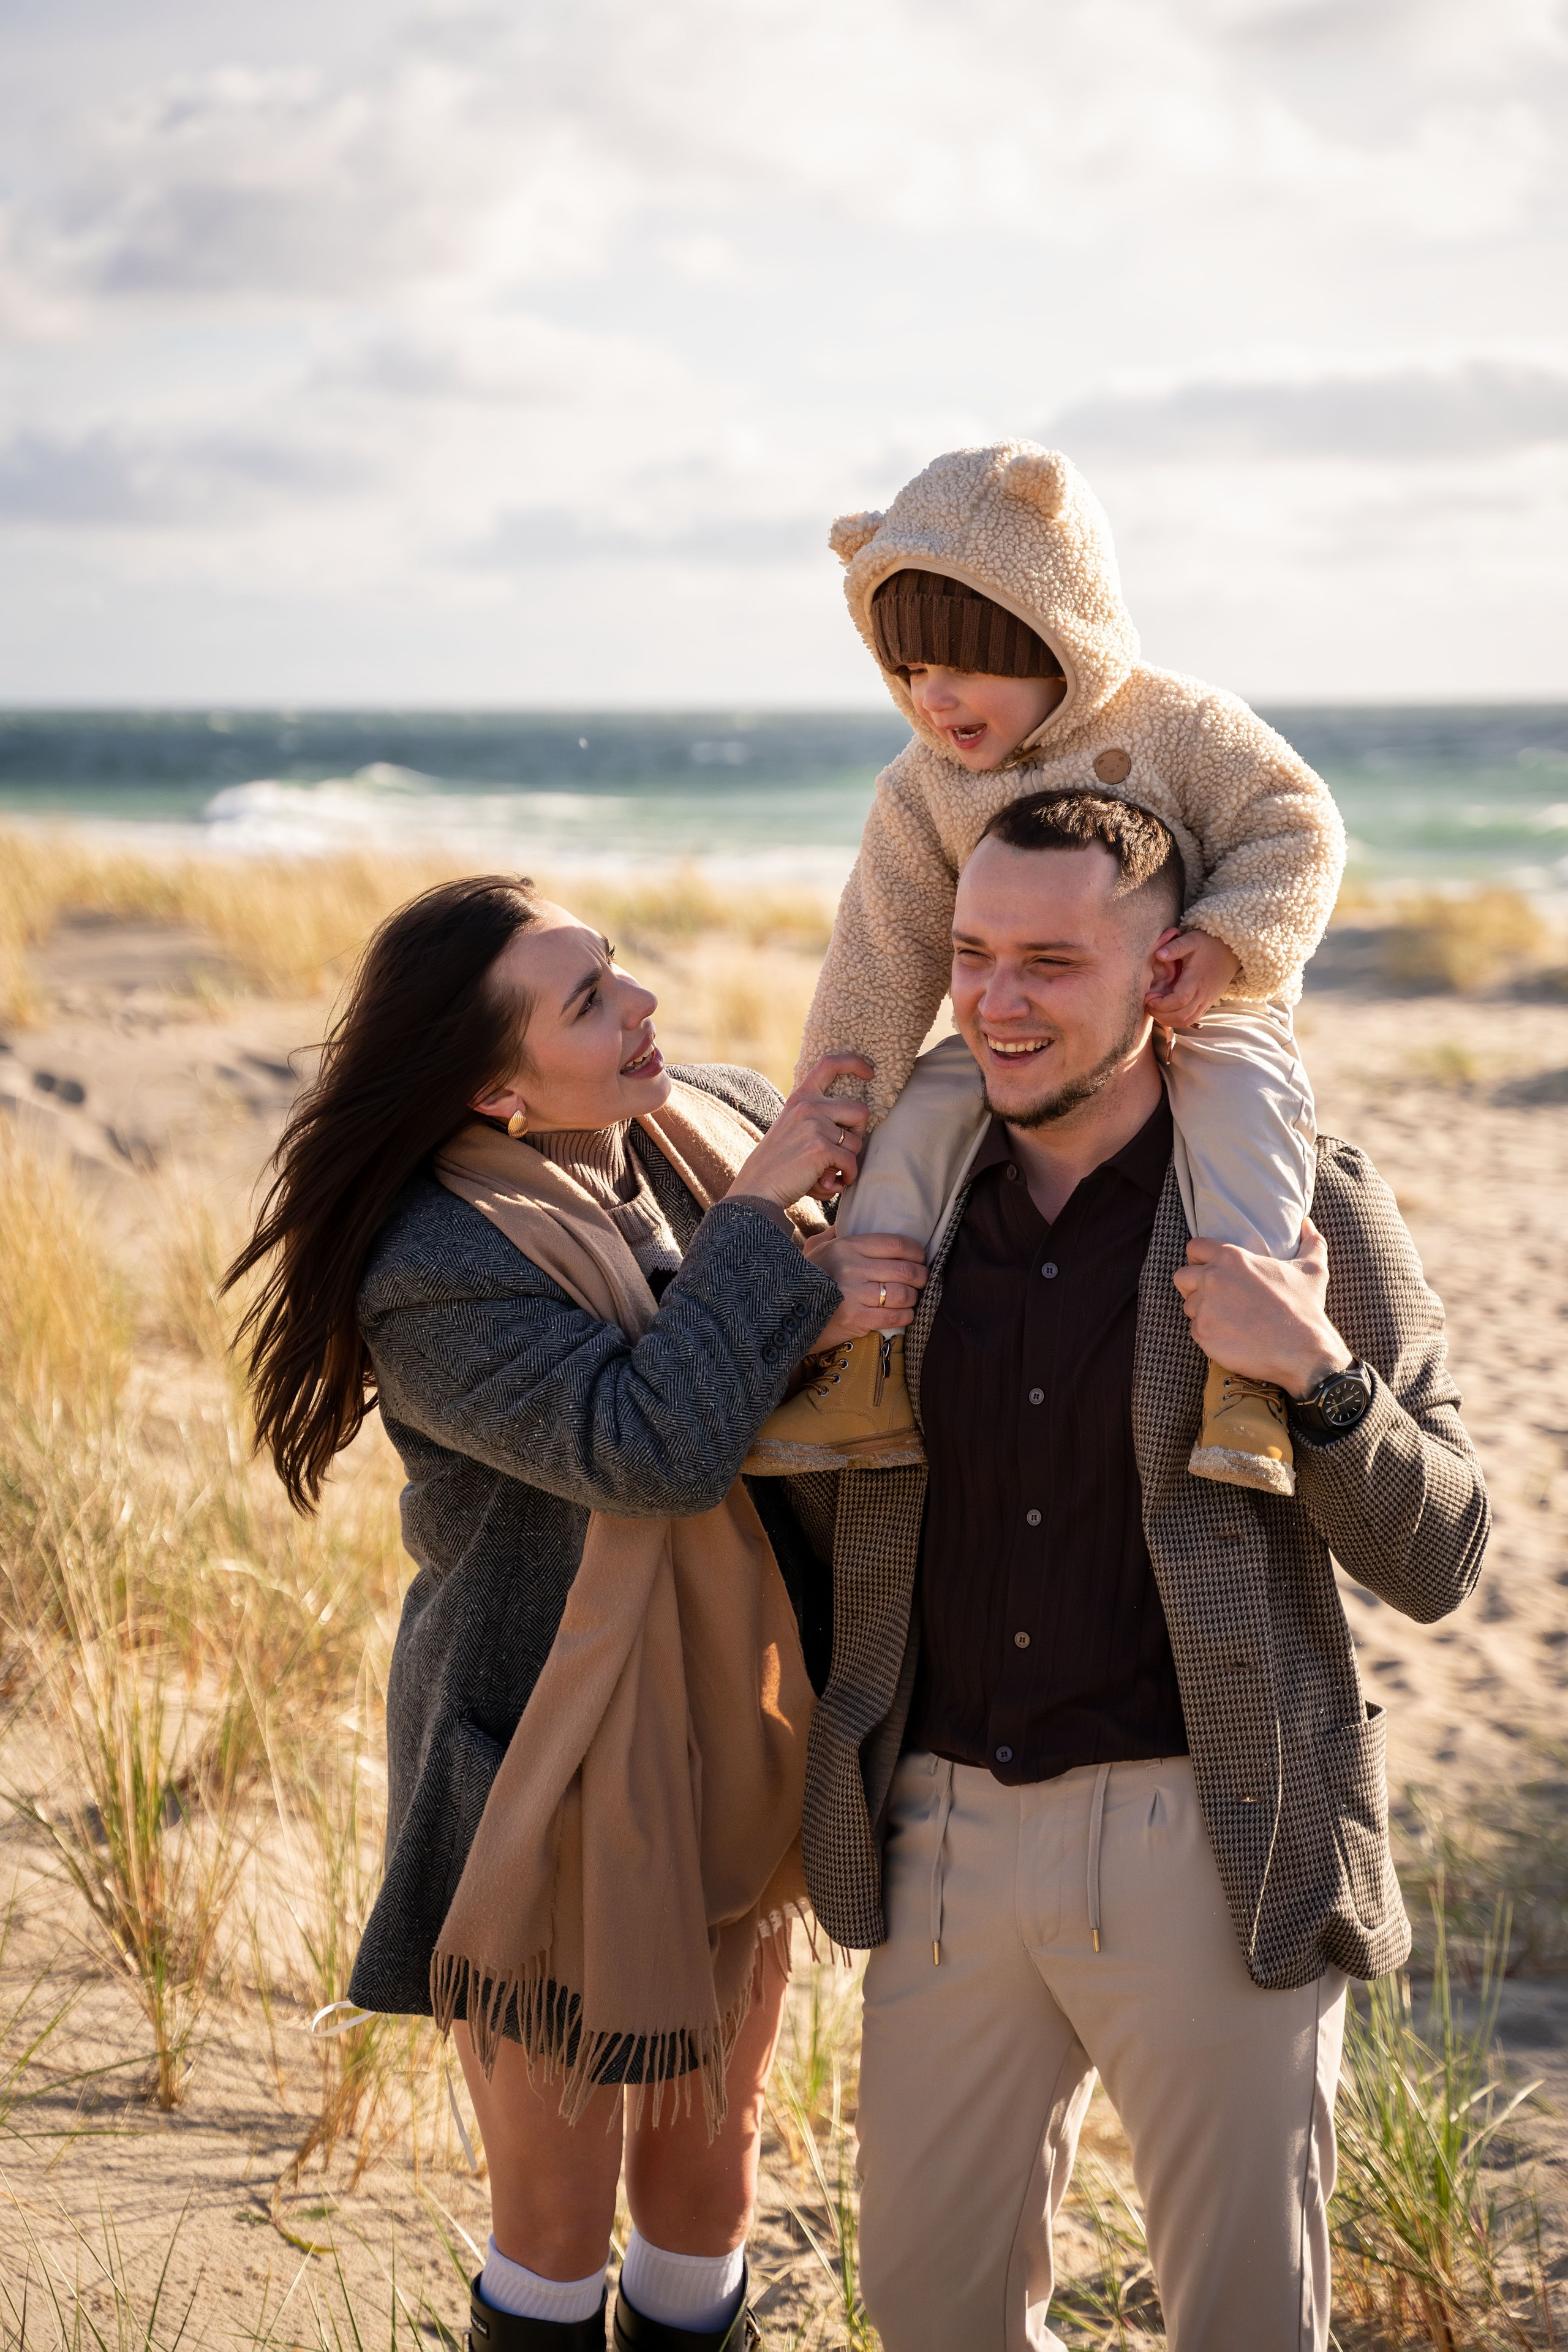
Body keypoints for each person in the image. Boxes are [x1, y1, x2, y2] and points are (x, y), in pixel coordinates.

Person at [799, 793, 1490, 2352]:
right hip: (941, 1849)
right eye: (973, 955)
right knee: (928, 2320)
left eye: (1050, 961)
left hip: (1214, 1836)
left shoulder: (1296, 1199)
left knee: (1250, 2326)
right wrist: (805, 1322)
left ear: (1166, 970)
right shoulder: (894, 1215)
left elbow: (1444, 1554)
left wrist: (1316, 1379)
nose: (995, 1000)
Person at [224, 875, 925, 2352]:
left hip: (734, 1738)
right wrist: (771, 1247)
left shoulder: (703, 1126)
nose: (641, 1007)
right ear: (493, 1090)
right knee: (552, 2228)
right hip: (534, 1768)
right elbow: (646, 1446)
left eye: (618, 971)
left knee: (708, 2187)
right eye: (589, 1001)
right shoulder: (434, 1269)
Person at [749, 440, 1340, 1497]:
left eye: (964, 665)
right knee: (922, 1112)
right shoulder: (922, 789)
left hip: (1203, 1010)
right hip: (1024, 1039)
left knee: (1245, 1117)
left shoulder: (1175, 723)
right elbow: (881, 950)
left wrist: (1225, 943)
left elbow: (1294, 824)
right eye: (910, 671)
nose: (935, 697)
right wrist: (840, 1109)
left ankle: (1247, 1384)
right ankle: (862, 1361)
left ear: (1055, 630)